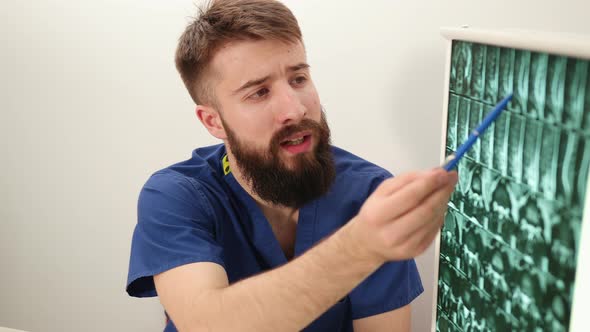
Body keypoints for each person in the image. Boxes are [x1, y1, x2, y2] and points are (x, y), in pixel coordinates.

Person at [125, 0, 458, 331]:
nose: (295, 109)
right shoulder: (175, 197)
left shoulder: (369, 194)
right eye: (259, 92)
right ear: (213, 121)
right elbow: (206, 323)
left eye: (298, 79)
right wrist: (361, 246)